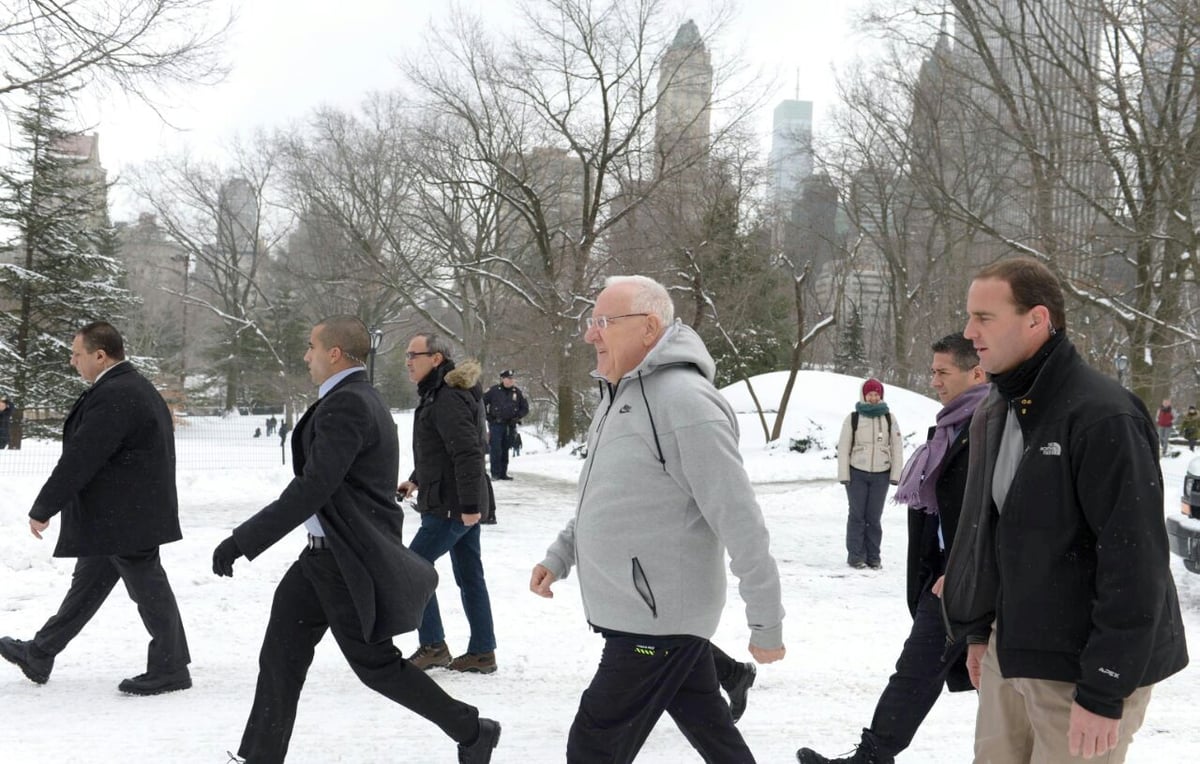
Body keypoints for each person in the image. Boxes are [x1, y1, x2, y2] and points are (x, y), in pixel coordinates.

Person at [211, 316, 500, 764]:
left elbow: (313, 486)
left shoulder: (348, 404)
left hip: (343, 563)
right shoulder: (356, 397)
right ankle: (259, 757)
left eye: (311, 346)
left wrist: (243, 541)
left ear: (334, 353)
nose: (305, 355)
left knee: (377, 667)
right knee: (280, 658)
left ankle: (471, 729)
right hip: (322, 559)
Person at [529, 275, 786, 763]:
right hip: (648, 611)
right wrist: (562, 556)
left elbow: (739, 518)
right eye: (592, 322)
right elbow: (608, 496)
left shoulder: (685, 402)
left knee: (594, 744)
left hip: (655, 621)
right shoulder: (620, 396)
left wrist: (765, 621)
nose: (590, 335)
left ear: (648, 328)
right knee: (712, 730)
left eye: (603, 322)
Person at [944, 258, 1188, 763]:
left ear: (1036, 320)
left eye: (984, 318)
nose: (970, 333)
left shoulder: (1104, 415)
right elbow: (991, 531)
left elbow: (1136, 562)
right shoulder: (996, 408)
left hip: (1082, 673)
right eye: (970, 317)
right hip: (1009, 651)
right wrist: (977, 628)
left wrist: (1105, 688)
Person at [797, 334, 988, 764]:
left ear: (976, 373)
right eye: (932, 370)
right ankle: (874, 754)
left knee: (993, 681)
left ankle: (873, 755)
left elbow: (997, 513)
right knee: (921, 671)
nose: (934, 380)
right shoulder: (952, 423)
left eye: (943, 372)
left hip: (972, 578)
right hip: (945, 575)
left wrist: (964, 568)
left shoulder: (992, 426)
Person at [0, 321, 191, 695]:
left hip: (125, 516)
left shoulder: (118, 393)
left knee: (149, 588)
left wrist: (44, 506)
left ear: (100, 355)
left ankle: (171, 667)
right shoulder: (124, 386)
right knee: (88, 585)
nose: (73, 362)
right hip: (119, 515)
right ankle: (41, 652)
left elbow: (82, 457)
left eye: (77, 354)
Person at [399, 332, 498, 675]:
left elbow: (468, 453)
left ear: (436, 358)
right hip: (455, 500)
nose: (408, 361)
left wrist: (469, 507)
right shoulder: (439, 393)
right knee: (470, 576)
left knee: (412, 569)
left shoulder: (447, 397)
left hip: (452, 505)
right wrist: (416, 478)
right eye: (407, 355)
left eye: (414, 354)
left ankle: (434, 645)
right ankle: (483, 652)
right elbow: (438, 449)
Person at [836, 378, 903, 569]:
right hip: (857, 473)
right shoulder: (854, 418)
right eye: (870, 394)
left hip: (881, 474)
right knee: (857, 516)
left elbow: (897, 446)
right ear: (863, 395)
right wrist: (844, 475)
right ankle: (855, 556)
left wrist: (895, 474)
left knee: (874, 517)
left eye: (876, 394)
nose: (873, 398)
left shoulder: (889, 418)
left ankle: (874, 556)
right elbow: (843, 447)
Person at [482, 369, 529, 480]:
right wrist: (488, 416)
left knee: (505, 449)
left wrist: (517, 417)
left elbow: (525, 408)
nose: (510, 381)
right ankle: (495, 473)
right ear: (502, 379)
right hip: (496, 424)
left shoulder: (517, 392)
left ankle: (503, 473)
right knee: (496, 449)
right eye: (508, 379)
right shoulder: (494, 391)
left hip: (510, 425)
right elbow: (481, 403)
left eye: (511, 379)